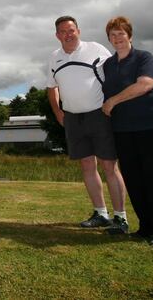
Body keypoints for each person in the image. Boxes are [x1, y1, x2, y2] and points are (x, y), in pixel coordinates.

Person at [47, 16, 128, 234]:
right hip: (73, 118)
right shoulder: (54, 58)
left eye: (71, 30)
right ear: (57, 35)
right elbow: (51, 86)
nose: (68, 34)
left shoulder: (96, 49)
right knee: (87, 166)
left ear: (78, 31)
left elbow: (121, 65)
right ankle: (100, 213)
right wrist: (58, 112)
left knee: (109, 166)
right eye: (63, 31)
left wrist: (150, 74)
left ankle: (120, 217)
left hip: (99, 114)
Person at [101, 16, 153, 245]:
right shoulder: (109, 64)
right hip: (124, 127)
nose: (117, 39)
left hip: (152, 124)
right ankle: (146, 228)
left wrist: (113, 101)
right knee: (134, 178)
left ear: (130, 36)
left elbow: (144, 84)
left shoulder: (144, 57)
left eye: (121, 34)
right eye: (112, 35)